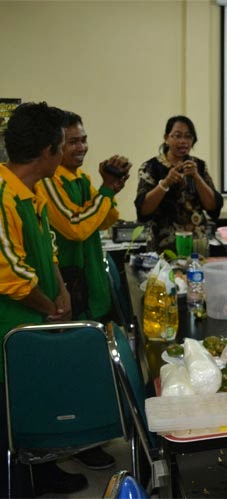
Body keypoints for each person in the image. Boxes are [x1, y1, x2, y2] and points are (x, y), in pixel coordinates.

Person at [35, 110, 131, 471]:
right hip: (69, 288)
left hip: (90, 286)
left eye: (84, 139)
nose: (82, 148)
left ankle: (91, 436)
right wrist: (105, 191)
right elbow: (75, 226)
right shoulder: (50, 181)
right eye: (72, 141)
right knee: (73, 370)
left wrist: (109, 187)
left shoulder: (79, 179)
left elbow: (107, 218)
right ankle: (76, 444)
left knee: (92, 367)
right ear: (55, 147)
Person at [0, 102, 86, 495]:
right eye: (64, 144)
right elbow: (10, 275)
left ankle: (41, 472)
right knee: (10, 418)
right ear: (48, 152)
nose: (70, 151)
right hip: (10, 330)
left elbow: (46, 247)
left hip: (33, 324)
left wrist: (61, 287)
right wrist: (51, 308)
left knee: (36, 406)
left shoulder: (29, 194)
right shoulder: (2, 195)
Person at [135, 115, 223, 253]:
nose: (183, 141)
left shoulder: (199, 166)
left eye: (188, 137)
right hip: (164, 246)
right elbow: (143, 210)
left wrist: (197, 177)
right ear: (166, 138)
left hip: (197, 245)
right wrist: (165, 183)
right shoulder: (151, 167)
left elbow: (213, 207)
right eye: (177, 136)